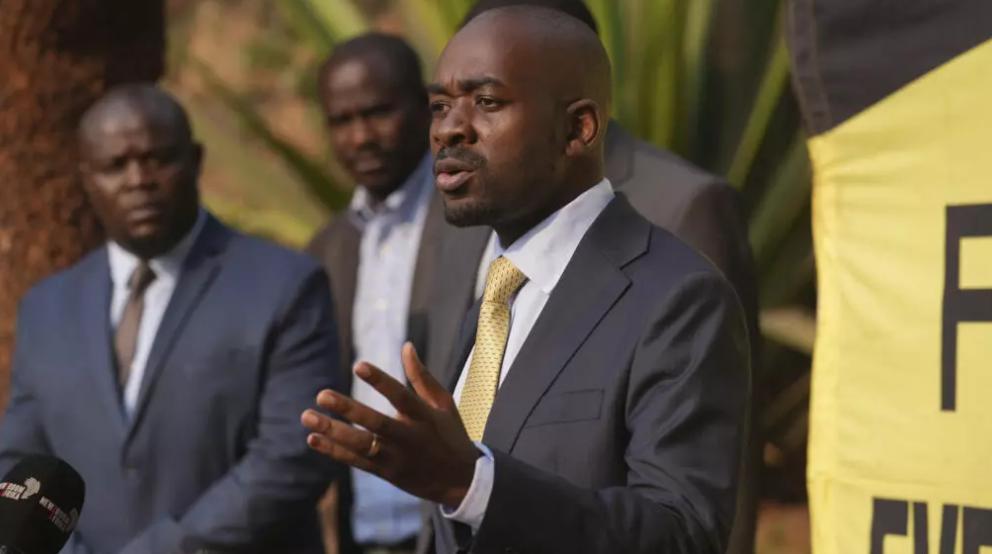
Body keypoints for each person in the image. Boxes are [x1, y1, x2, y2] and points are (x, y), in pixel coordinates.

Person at [302, 6, 750, 554]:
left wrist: (473, 485)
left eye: (487, 102)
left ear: (578, 129)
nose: (449, 128)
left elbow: (682, 534)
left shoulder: (677, 298)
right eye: (440, 106)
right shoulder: (496, 287)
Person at [0, 84, 338, 554]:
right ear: (86, 178)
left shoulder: (285, 284)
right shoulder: (48, 307)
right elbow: (18, 461)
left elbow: (293, 454)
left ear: (195, 160)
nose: (138, 180)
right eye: (115, 166)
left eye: (158, 159)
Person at [305, 33, 438, 554]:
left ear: (426, 106)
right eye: (342, 121)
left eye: (379, 112)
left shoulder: (475, 225)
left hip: (457, 521)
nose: (361, 137)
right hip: (365, 530)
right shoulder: (327, 248)